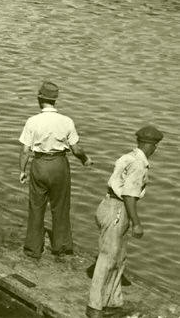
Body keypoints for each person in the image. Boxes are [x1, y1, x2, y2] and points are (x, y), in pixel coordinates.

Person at [86, 125, 164, 318]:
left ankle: (112, 301)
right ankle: (94, 307)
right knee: (108, 258)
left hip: (110, 206)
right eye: (156, 146)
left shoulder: (128, 157)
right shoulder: (139, 164)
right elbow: (129, 195)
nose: (156, 150)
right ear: (151, 145)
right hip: (118, 209)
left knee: (118, 257)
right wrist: (136, 223)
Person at [18, 81, 92, 259]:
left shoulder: (32, 121)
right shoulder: (66, 121)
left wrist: (22, 171)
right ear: (55, 100)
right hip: (59, 165)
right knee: (60, 206)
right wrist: (85, 159)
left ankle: (33, 248)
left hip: (39, 164)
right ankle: (61, 247)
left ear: (39, 99)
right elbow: (76, 149)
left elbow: (25, 151)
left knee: (36, 206)